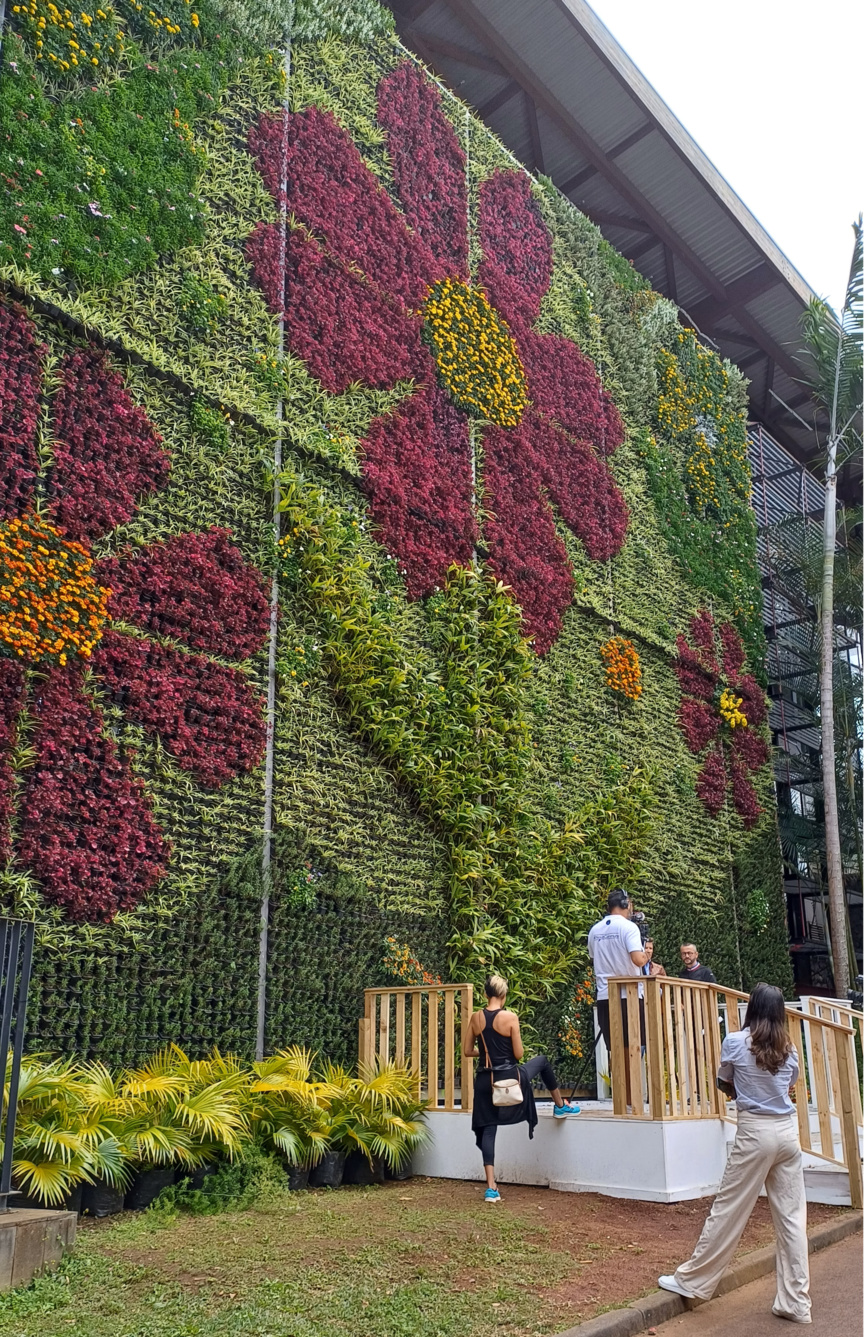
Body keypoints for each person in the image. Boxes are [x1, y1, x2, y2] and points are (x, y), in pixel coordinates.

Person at [659, 983, 810, 1325]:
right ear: (780, 1012)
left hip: (755, 1132)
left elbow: (724, 1079)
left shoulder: (736, 1042)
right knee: (791, 1220)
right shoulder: (791, 1050)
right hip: (787, 1134)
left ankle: (694, 1281)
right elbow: (790, 1085)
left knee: (728, 1209)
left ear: (752, 1009)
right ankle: (796, 1302)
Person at [463, 974, 580, 1203]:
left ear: (486, 994)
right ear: (503, 995)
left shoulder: (476, 1018)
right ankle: (559, 1106)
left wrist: (486, 1054)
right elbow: (518, 1055)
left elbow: (467, 1051)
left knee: (488, 1129)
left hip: (485, 1080)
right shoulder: (510, 1017)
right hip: (510, 1079)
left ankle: (491, 1188)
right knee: (543, 1061)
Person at [588, 888, 648, 1055]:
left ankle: (619, 1083)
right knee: (634, 1051)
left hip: (604, 996)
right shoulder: (629, 928)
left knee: (615, 1052)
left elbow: (594, 958)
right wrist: (645, 955)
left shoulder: (595, 929)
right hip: (629, 996)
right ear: (626, 904)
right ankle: (633, 1083)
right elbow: (638, 959)